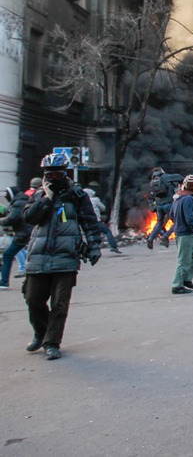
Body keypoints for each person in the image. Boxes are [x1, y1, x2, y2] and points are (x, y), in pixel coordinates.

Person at [22, 153, 102, 360]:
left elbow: (90, 222)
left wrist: (94, 246)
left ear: (65, 173)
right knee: (33, 300)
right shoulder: (39, 195)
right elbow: (29, 218)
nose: (53, 178)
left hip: (66, 257)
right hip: (38, 257)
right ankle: (40, 333)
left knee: (59, 304)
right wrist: (47, 199)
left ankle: (52, 343)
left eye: (57, 174)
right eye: (49, 174)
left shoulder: (77, 194)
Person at [0, 187, 33, 289]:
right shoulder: (22, 201)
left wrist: (2, 221)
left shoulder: (18, 203)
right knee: (21, 253)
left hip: (22, 233)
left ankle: (4, 282)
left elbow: (12, 218)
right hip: (26, 232)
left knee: (8, 255)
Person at [146, 167, 183, 250]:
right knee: (178, 221)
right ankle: (165, 236)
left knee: (159, 223)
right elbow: (179, 177)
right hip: (168, 205)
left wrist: (152, 206)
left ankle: (150, 238)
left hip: (159, 207)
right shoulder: (165, 177)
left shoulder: (152, 182)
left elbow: (150, 196)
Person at [83, 185, 121, 254]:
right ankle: (113, 246)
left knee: (90, 235)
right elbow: (103, 208)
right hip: (96, 221)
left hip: (87, 222)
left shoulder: (82, 202)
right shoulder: (95, 200)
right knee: (107, 232)